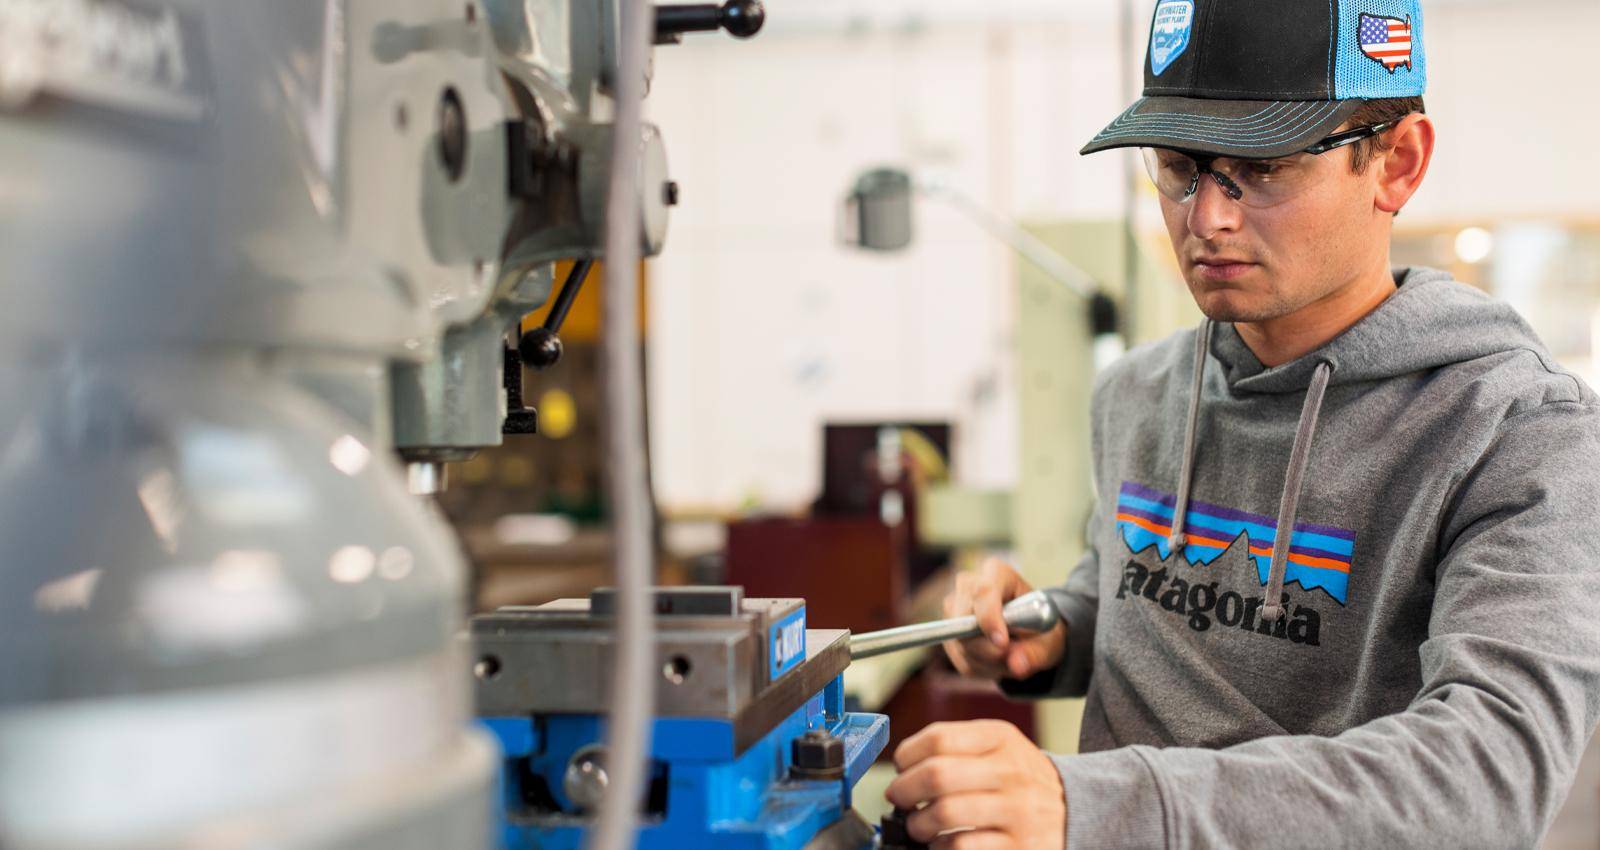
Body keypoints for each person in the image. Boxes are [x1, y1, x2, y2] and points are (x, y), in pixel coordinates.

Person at [882, 0, 1600, 847]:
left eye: (1261, 169)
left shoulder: (1516, 432)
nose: (1206, 219)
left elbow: (1488, 774)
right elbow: (1137, 582)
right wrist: (1054, 625)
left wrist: (1101, 807)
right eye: (1180, 167)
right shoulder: (1136, 395)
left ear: (1397, 165)